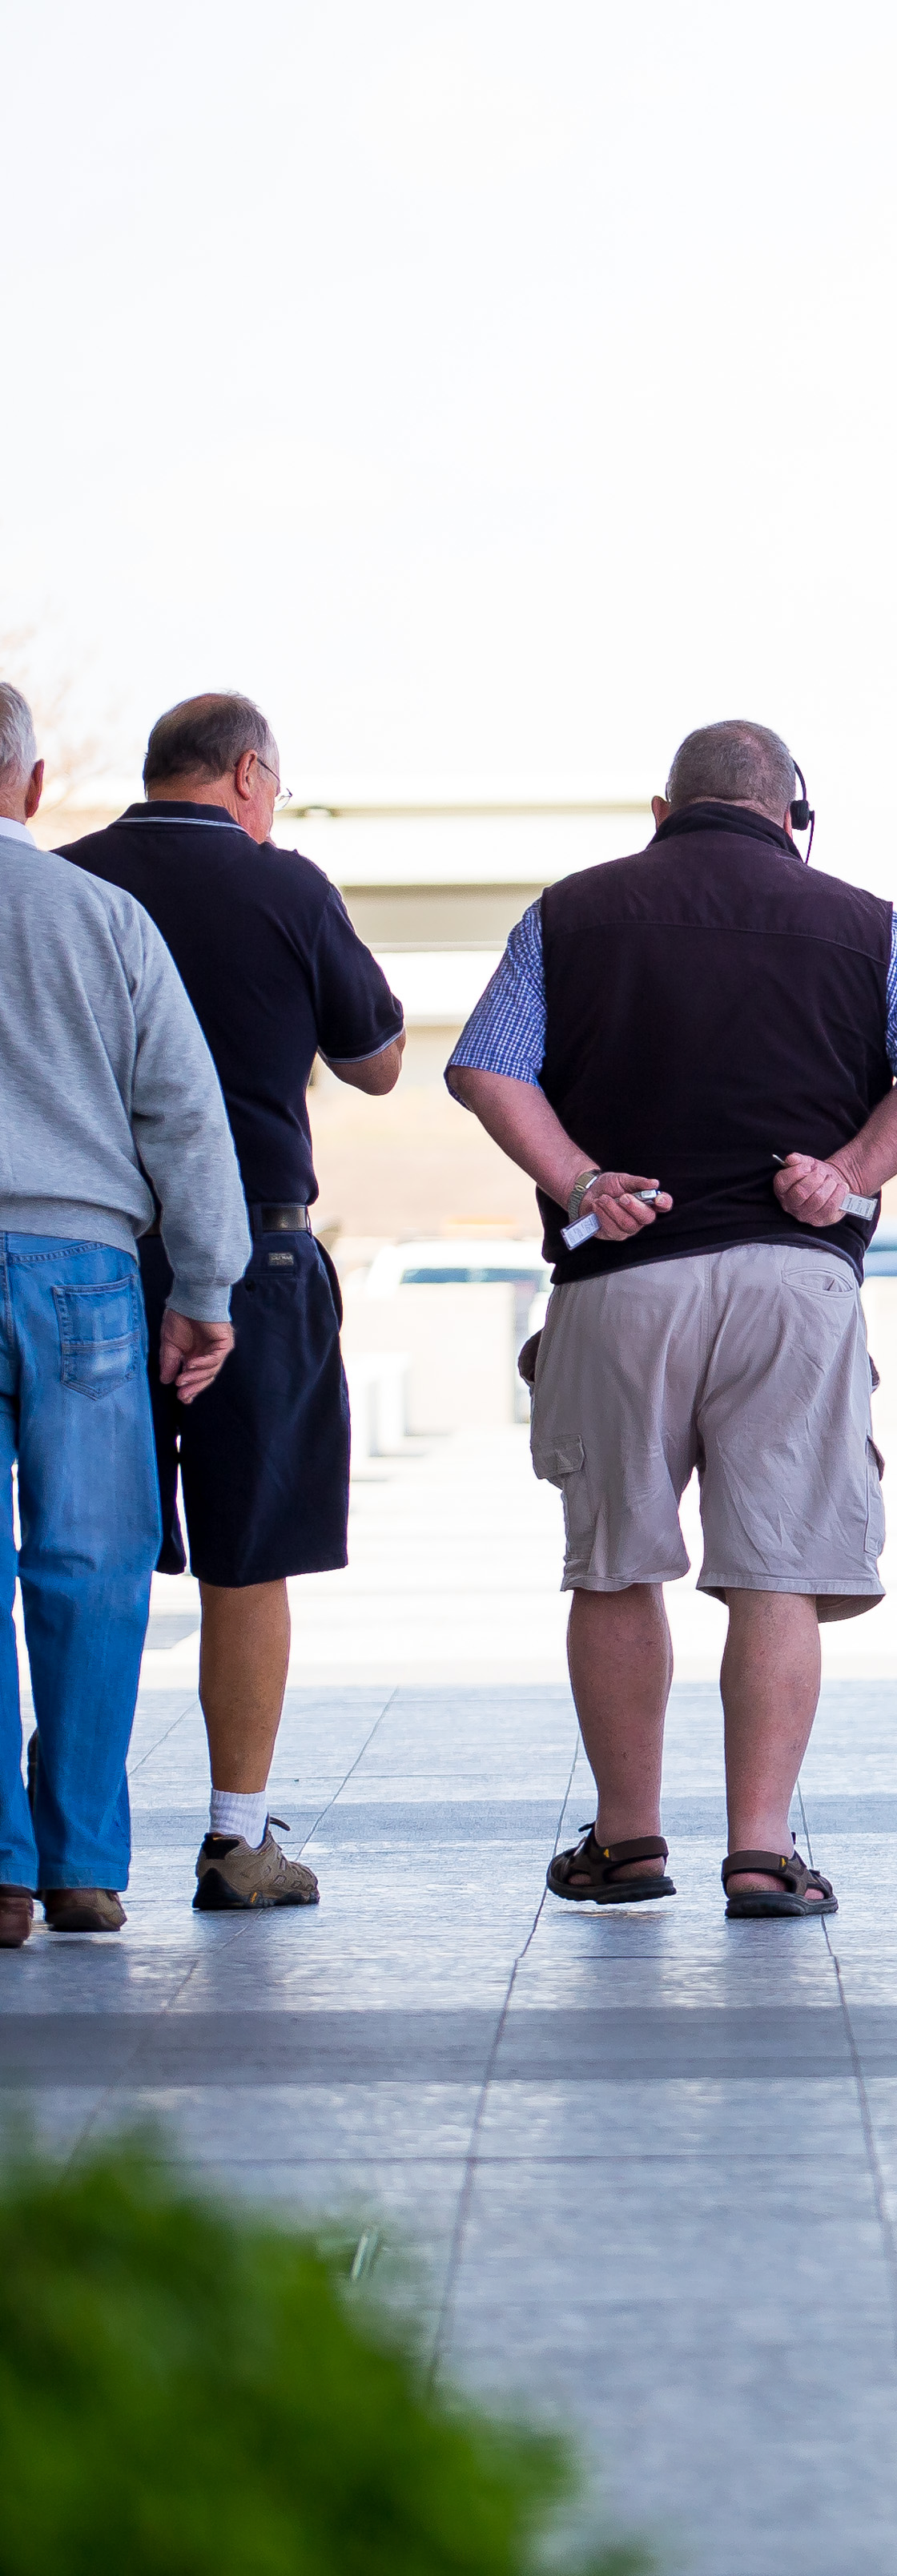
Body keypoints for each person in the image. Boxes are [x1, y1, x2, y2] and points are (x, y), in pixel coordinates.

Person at [444, 721, 897, 1921]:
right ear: (792, 815)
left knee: (617, 1565)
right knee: (780, 1570)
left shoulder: (569, 914)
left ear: (662, 810)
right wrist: (845, 1173)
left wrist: (583, 1180)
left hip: (622, 1276)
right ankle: (760, 1853)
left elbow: (487, 1066)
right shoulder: (871, 924)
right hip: (796, 1281)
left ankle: (630, 1844)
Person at [59, 694, 407, 1914]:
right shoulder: (290, 886)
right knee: (248, 1557)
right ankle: (235, 1840)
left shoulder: (65, 885)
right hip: (257, 1252)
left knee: (79, 1549)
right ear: (251, 776)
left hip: (94, 1252)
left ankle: (70, 1847)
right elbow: (378, 1062)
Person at [0, 681, 245, 1948]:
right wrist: (205, 1289)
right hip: (84, 1270)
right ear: (32, 786)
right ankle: (84, 1864)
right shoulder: (103, 918)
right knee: (92, 1568)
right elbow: (183, 1115)